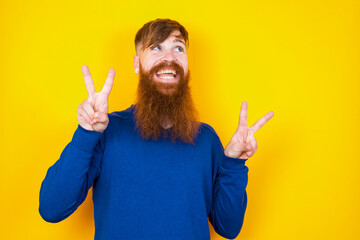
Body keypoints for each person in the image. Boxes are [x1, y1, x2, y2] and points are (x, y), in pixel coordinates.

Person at [39, 18, 274, 240]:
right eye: (156, 48)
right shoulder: (107, 131)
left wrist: (233, 163)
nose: (169, 58)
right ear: (136, 64)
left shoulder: (206, 139)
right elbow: (52, 208)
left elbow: (229, 228)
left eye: (178, 48)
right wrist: (86, 134)